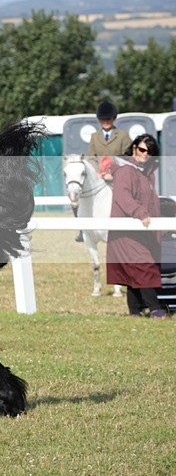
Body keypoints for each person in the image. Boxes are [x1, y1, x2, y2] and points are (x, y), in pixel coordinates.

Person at [106, 133, 168, 319]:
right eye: (142, 149)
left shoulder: (147, 173)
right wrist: (140, 213)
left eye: (150, 151)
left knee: (134, 270)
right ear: (134, 148)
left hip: (142, 230)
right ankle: (155, 309)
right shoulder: (126, 171)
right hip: (126, 231)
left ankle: (134, 311)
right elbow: (123, 197)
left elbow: (151, 202)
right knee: (144, 265)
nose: (145, 154)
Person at [74, 100, 132, 241]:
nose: (106, 121)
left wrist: (114, 172)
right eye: (103, 119)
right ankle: (83, 230)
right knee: (79, 195)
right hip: (99, 175)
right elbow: (91, 157)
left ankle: (129, 225)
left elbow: (129, 157)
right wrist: (97, 172)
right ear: (99, 120)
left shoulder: (123, 135)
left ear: (114, 118)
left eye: (109, 119)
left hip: (118, 175)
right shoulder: (95, 137)